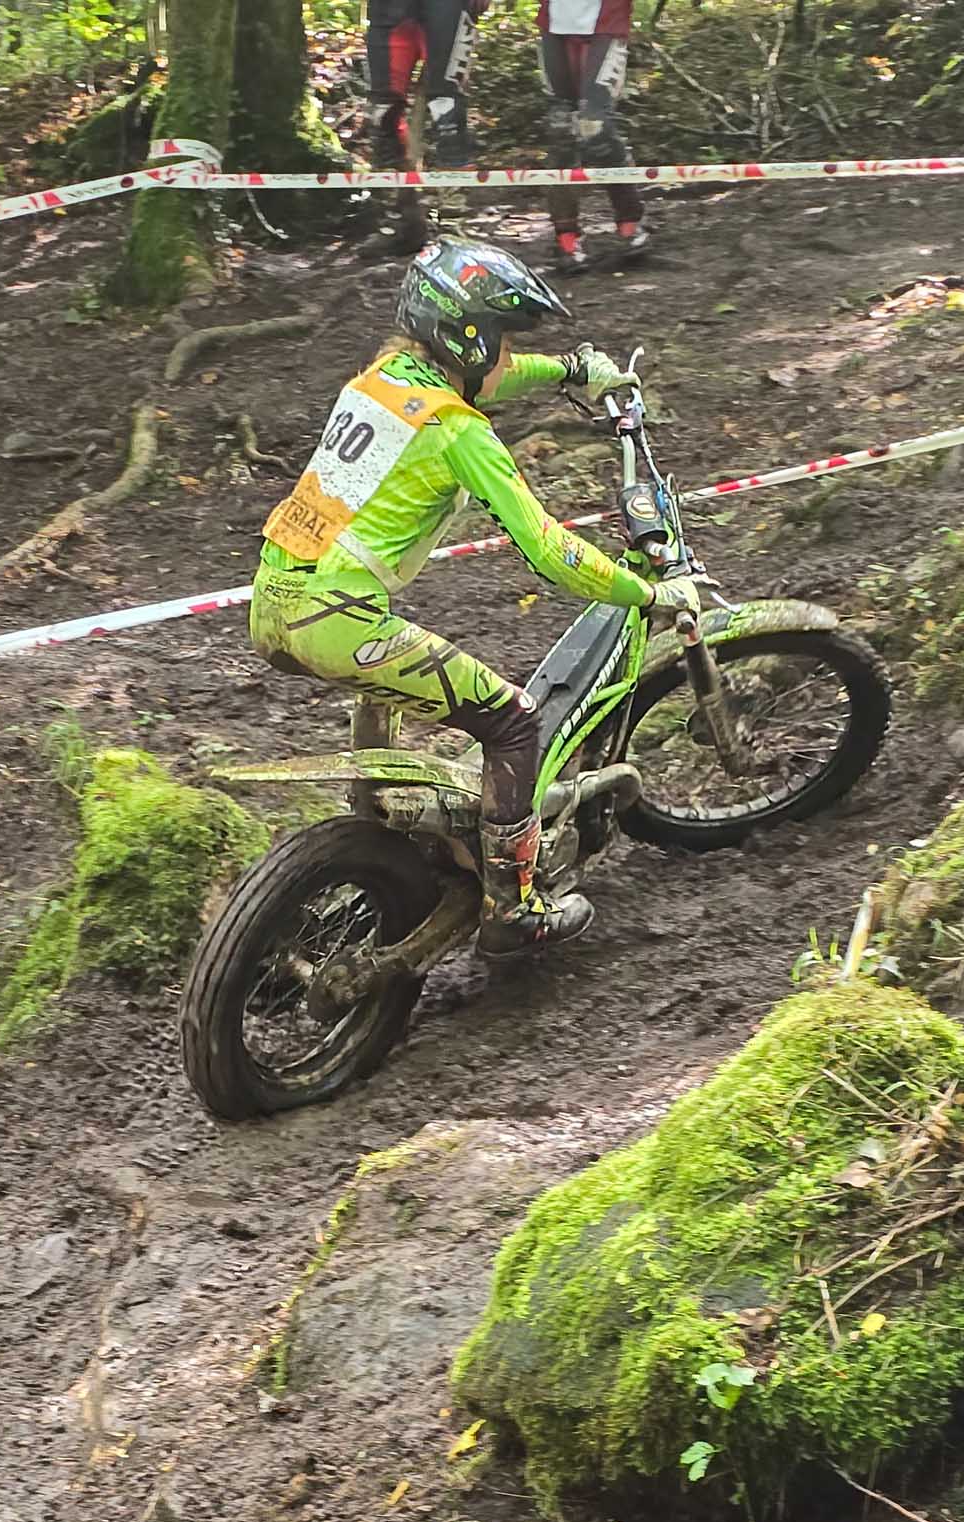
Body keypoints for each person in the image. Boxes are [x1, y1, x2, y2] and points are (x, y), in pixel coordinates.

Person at [250, 239, 685, 957]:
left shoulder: (382, 379)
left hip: (274, 599)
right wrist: (643, 589)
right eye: (503, 339)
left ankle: (384, 842)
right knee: (514, 723)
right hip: (332, 619)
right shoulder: (459, 433)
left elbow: (491, 378)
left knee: (387, 682)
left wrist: (571, 369)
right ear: (470, 338)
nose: (509, 354)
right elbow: (547, 548)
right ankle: (513, 907)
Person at [358, 0, 484, 259]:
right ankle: (402, 222)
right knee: (381, 113)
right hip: (387, 10)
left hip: (449, 8)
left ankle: (453, 224)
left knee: (447, 109)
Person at [538, 0, 648, 273]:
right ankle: (566, 238)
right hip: (554, 21)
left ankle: (630, 221)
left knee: (594, 124)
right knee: (560, 126)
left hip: (606, 20)